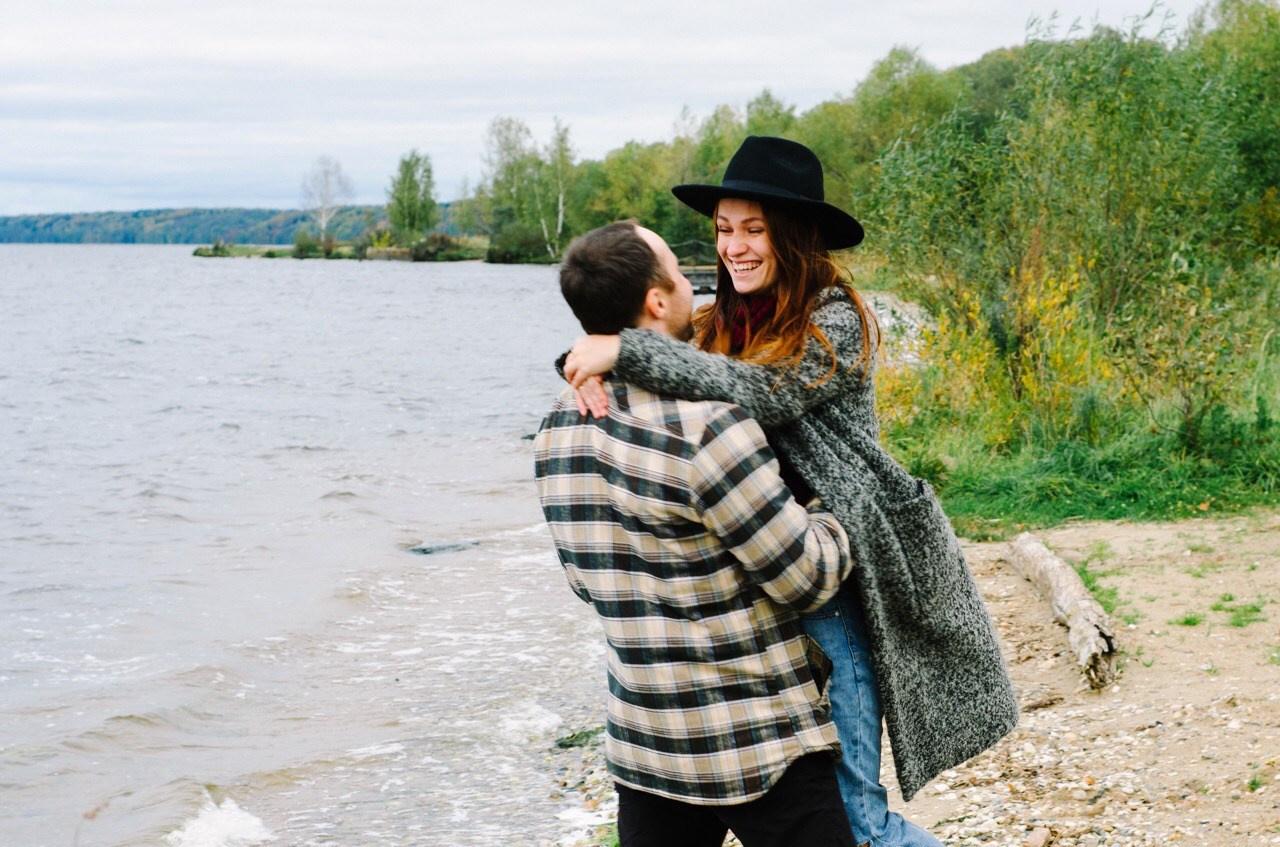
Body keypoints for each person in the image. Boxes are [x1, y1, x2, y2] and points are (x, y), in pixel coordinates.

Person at [563, 137, 1016, 846]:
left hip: (833, 572)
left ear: (794, 237)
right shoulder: (721, 320)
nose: (735, 248)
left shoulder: (834, 317)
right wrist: (582, 360)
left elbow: (763, 392)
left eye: (754, 229)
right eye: (723, 230)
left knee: (857, 823)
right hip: (755, 585)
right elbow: (668, 366)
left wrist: (622, 349)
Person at [534, 219, 861, 847]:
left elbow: (586, 583)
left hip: (646, 742)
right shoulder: (710, 428)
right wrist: (832, 508)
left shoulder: (555, 428)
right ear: (658, 300)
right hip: (757, 740)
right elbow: (808, 579)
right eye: (682, 274)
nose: (695, 282)